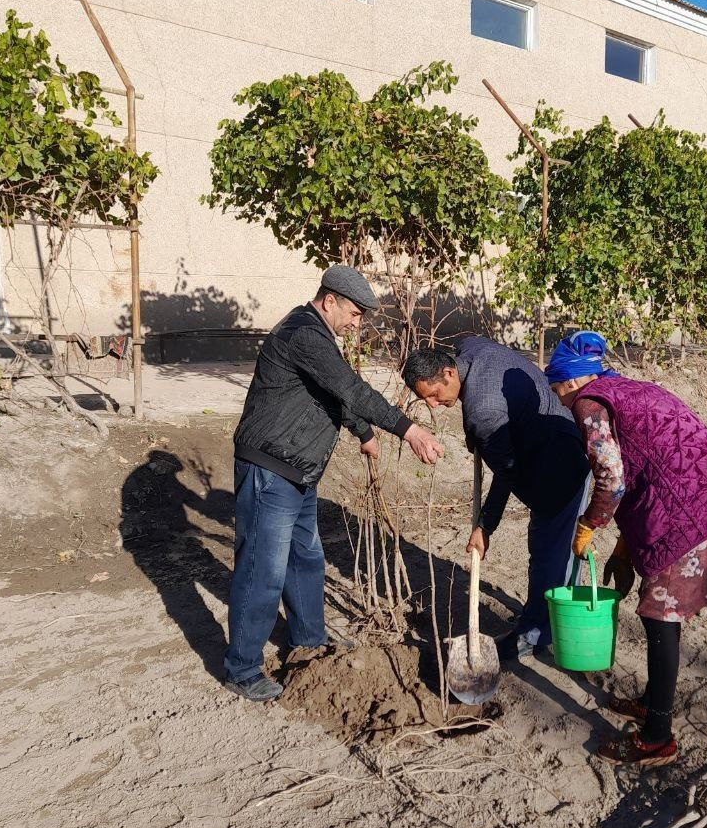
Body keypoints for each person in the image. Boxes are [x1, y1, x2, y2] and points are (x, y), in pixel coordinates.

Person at [225, 266, 444, 701]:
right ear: (330, 301)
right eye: (355, 313)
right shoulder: (304, 333)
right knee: (262, 569)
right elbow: (349, 387)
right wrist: (409, 429)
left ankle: (307, 640)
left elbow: (331, 393)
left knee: (305, 558)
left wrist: (363, 432)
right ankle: (242, 667)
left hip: (297, 471)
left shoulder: (318, 339)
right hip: (272, 468)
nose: (357, 322)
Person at [545, 331, 707, 768]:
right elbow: (649, 467)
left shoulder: (590, 402)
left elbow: (612, 479)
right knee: (660, 614)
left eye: (556, 392)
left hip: (688, 520)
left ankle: (657, 738)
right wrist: (625, 550)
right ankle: (650, 702)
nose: (562, 404)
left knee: (660, 617)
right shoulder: (630, 388)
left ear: (567, 382)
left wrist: (589, 526)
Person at [403, 337, 590, 661]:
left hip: (560, 468)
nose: (433, 404)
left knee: (549, 553)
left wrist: (484, 527)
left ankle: (534, 635)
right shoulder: (471, 350)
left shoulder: (484, 411)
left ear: (449, 372)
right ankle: (545, 617)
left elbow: (507, 474)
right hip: (555, 436)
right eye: (425, 400)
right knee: (552, 550)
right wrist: (475, 436)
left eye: (434, 395)